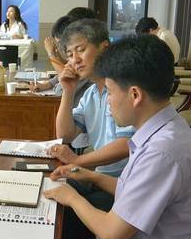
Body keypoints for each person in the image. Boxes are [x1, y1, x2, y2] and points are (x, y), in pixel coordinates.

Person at [45, 34, 191, 239]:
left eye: (109, 92)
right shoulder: (164, 130)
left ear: (134, 95)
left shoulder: (163, 152)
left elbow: (112, 233)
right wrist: (93, 177)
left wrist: (71, 197)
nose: (107, 101)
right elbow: (133, 192)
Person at [50, 19, 134, 177]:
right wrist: (68, 92)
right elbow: (65, 135)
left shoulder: (123, 87)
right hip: (100, 175)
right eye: (70, 55)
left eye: (81, 50)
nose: (75, 59)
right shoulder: (91, 94)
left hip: (124, 181)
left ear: (105, 47)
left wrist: (77, 160)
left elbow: (126, 144)